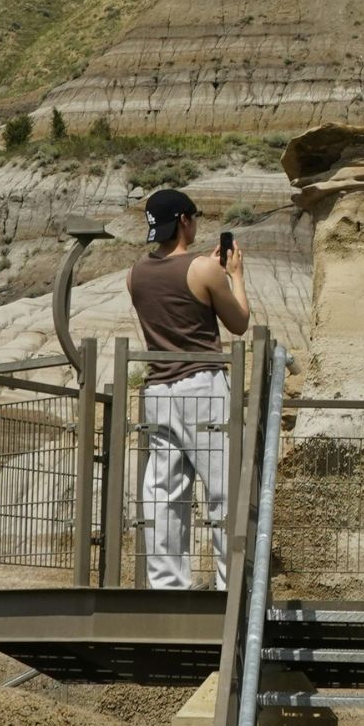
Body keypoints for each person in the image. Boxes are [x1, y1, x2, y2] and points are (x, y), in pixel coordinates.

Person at [127, 189, 250, 589]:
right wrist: (233, 275)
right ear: (183, 220)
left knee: (164, 493)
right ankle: (229, 586)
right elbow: (240, 322)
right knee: (222, 489)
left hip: (158, 392)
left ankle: (166, 586)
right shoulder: (203, 269)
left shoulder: (135, 274)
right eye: (194, 216)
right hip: (203, 388)